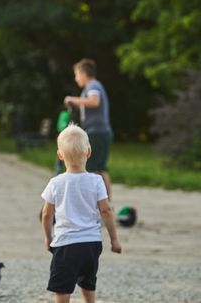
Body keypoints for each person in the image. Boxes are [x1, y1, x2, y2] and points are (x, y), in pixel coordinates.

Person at [40, 124, 121, 303]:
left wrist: (48, 237)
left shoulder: (56, 183)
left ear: (60, 155)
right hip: (91, 244)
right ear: (89, 152)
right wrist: (114, 239)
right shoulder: (97, 181)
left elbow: (46, 214)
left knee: (62, 289)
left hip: (66, 245)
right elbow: (106, 211)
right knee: (88, 283)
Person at [63, 58, 113, 200]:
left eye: (77, 75)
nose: (76, 78)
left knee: (96, 168)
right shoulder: (90, 87)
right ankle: (104, 202)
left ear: (83, 73)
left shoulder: (93, 85)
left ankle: (103, 202)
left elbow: (94, 101)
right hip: (98, 131)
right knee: (99, 168)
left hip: (97, 132)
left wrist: (72, 100)